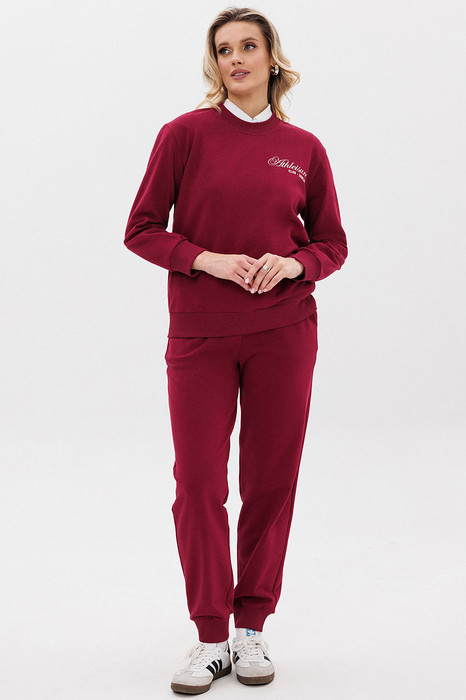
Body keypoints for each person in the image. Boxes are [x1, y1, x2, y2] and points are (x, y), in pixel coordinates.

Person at [124, 5, 348, 694]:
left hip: (285, 331)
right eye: (224, 50)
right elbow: (140, 229)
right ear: (214, 63)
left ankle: (251, 627)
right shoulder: (183, 135)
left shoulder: (303, 147)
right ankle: (209, 635)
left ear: (271, 57)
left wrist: (294, 264)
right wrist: (208, 259)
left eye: (249, 46)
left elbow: (332, 244)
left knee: (270, 482)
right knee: (198, 484)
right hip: (200, 333)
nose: (237, 59)